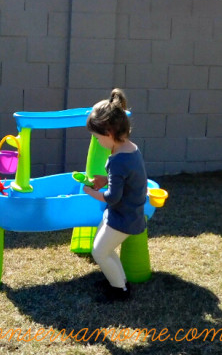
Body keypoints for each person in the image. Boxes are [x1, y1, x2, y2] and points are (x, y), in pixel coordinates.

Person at [83, 88, 148, 302]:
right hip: (128, 212)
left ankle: (119, 290)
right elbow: (124, 180)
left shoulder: (117, 160)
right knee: (104, 249)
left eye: (97, 137)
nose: (98, 141)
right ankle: (119, 281)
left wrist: (92, 192)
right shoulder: (131, 149)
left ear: (109, 133)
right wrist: (104, 179)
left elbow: (112, 197)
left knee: (99, 252)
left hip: (123, 216)